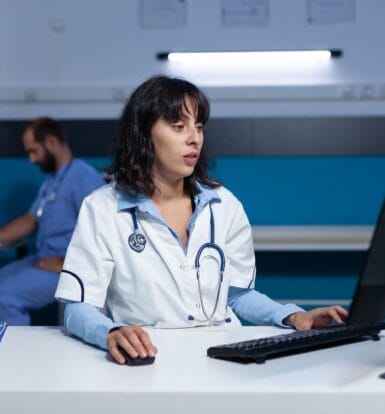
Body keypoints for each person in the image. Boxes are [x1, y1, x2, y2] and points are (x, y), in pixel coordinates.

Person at [55, 76, 348, 364]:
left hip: (222, 359)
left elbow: (235, 296)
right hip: (150, 359)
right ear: (143, 134)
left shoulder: (224, 205)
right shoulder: (102, 208)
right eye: (178, 126)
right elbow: (77, 307)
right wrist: (110, 332)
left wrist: (293, 316)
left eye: (198, 126)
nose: (194, 138)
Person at [0, 117, 104, 325]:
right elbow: (31, 219)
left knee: (4, 298)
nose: (31, 159)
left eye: (33, 151)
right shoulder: (53, 181)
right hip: (41, 259)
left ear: (52, 143)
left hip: (65, 267)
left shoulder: (82, 176)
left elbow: (103, 229)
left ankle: (14, 356)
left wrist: (67, 265)